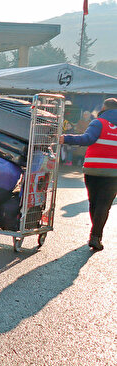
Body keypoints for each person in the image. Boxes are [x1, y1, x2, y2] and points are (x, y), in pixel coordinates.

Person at [60, 98, 117, 251]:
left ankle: (95, 232)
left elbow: (87, 139)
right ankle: (96, 236)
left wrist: (65, 138)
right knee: (104, 205)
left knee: (93, 202)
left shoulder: (98, 122)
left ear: (104, 108)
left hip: (93, 169)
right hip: (113, 173)